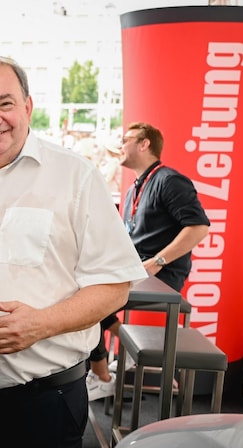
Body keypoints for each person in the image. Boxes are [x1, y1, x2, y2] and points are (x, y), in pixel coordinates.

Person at [0, 56, 148, 448]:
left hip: (43, 404)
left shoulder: (75, 176)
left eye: (5, 103)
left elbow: (114, 285)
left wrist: (44, 323)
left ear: (27, 107)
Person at [86, 121, 211, 400]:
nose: (120, 146)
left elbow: (199, 227)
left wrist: (158, 261)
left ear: (145, 144)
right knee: (81, 287)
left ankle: (103, 375)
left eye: (126, 139)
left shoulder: (169, 180)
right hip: (136, 270)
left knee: (89, 301)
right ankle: (121, 349)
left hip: (160, 276)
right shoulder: (134, 188)